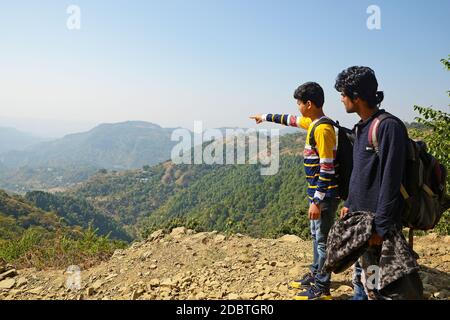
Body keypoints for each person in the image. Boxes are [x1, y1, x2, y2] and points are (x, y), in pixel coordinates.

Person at [335, 66, 423, 299]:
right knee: (367, 280)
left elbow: (390, 180)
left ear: (356, 97)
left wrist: (380, 227)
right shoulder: (361, 127)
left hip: (379, 225)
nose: (341, 99)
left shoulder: (387, 127)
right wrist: (350, 203)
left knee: (389, 285)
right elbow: (360, 174)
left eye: (343, 94)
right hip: (362, 222)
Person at [250, 82, 339, 300]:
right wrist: (265, 116)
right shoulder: (314, 123)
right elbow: (290, 120)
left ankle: (322, 287)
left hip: (325, 196)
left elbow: (327, 167)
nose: (298, 107)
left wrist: (317, 201)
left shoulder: (323, 129)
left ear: (309, 104)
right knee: (315, 236)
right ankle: (316, 273)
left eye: (299, 103)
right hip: (317, 195)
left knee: (322, 240)